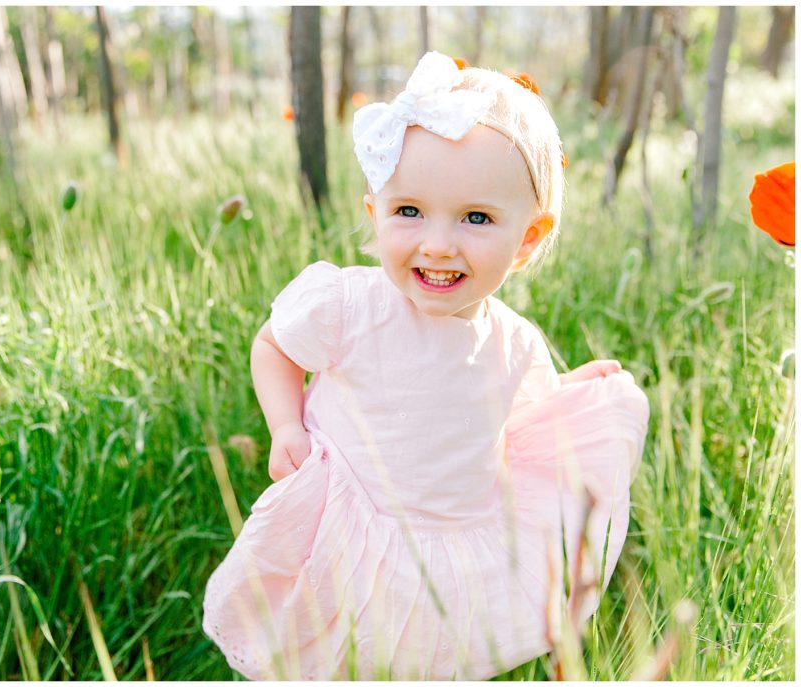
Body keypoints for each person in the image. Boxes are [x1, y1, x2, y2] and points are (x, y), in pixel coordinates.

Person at [202, 51, 649, 680]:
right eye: (409, 211)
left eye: (476, 218)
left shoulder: (516, 343)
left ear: (528, 237)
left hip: (453, 544)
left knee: (426, 653)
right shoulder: (349, 306)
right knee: (335, 654)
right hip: (350, 525)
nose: (438, 243)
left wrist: (578, 392)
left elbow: (528, 423)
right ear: (375, 213)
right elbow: (272, 345)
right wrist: (285, 426)